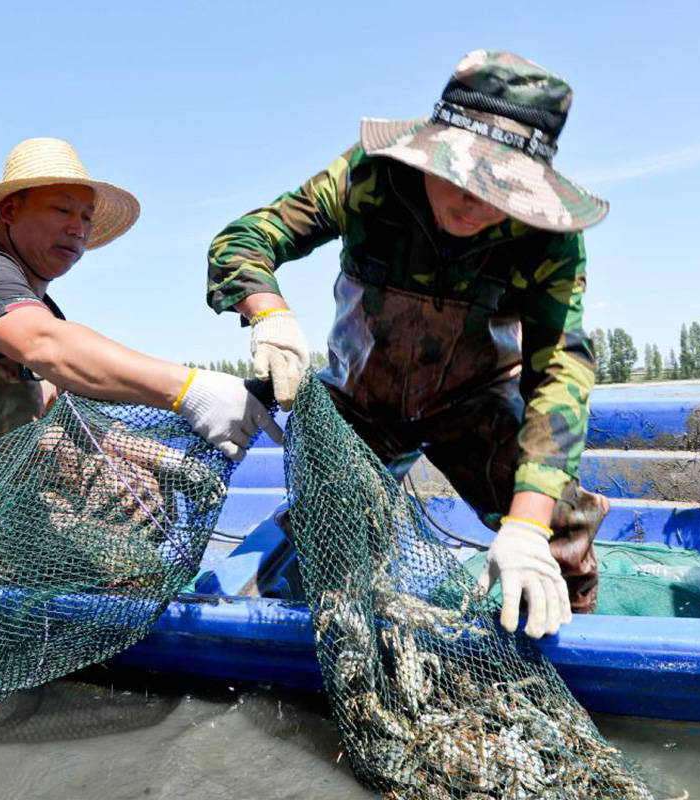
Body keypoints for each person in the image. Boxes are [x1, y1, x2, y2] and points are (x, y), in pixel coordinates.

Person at [205, 51, 610, 639]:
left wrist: (525, 523)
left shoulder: (549, 239)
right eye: (463, 177)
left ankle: (576, 650)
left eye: (500, 190)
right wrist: (268, 313)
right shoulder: (369, 176)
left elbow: (560, 371)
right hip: (361, 403)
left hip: (476, 404)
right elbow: (245, 239)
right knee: (328, 538)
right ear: (430, 152)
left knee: (559, 528)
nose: (474, 205)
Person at [0, 137, 281, 503]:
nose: (78, 228)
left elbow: (75, 419)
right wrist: (191, 389)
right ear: (10, 210)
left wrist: (163, 458)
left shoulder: (42, 309)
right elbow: (46, 344)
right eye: (61, 210)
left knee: (142, 497)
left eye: (86, 216)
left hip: (5, 502)